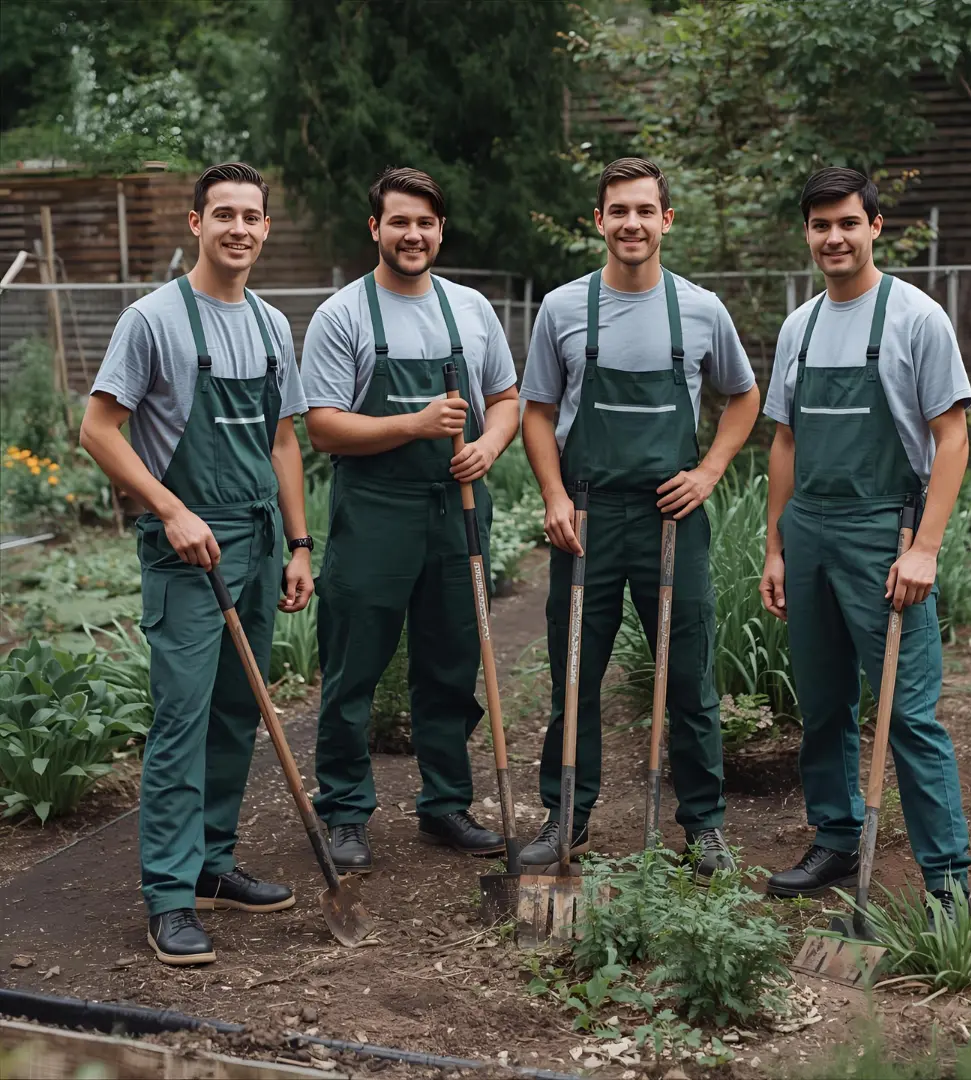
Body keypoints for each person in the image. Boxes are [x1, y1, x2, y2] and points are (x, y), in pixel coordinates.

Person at [80, 162, 313, 966]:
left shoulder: (274, 325)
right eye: (224, 215)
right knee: (182, 720)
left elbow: (284, 439)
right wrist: (170, 509)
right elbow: (99, 430)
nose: (238, 229)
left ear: (265, 229)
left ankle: (213, 864)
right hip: (187, 546)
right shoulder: (152, 321)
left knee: (234, 712)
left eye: (251, 216)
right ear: (195, 223)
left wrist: (299, 545)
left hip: (256, 540)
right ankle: (169, 898)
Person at [517, 157, 760, 880]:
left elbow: (743, 397)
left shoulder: (701, 309)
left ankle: (704, 826)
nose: (631, 223)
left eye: (644, 211)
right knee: (575, 673)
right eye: (618, 210)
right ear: (599, 220)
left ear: (666, 220)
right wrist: (555, 497)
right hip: (588, 515)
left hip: (669, 516)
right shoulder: (561, 308)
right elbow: (537, 411)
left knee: (687, 675)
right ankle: (568, 814)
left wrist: (709, 471)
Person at [759, 167, 971, 919]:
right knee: (821, 703)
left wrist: (926, 550)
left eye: (848, 222)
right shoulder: (801, 325)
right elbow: (783, 443)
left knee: (906, 714)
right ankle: (837, 837)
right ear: (808, 233)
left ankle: (947, 881)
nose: (833, 238)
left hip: (886, 532)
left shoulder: (917, 318)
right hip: (809, 530)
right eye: (820, 225)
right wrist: (776, 546)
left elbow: (952, 439)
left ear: (875, 226)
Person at [301, 166, 520, 873]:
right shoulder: (343, 315)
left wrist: (487, 443)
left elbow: (507, 397)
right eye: (399, 221)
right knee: (352, 666)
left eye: (425, 223)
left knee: (452, 661)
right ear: (375, 229)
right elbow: (325, 429)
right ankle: (344, 812)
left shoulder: (471, 309)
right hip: (376, 511)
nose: (413, 234)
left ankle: (446, 804)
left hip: (456, 507)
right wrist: (416, 422)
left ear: (440, 230)